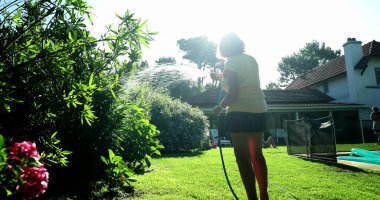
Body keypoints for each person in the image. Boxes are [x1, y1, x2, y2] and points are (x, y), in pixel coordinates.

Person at [214, 32, 268, 200]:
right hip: (259, 110)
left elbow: (234, 92)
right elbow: (241, 81)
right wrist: (221, 78)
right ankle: (264, 196)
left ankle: (252, 198)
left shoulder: (230, 62)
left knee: (243, 157)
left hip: (239, 113)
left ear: (224, 47)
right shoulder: (250, 59)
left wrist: (220, 106)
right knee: (257, 155)